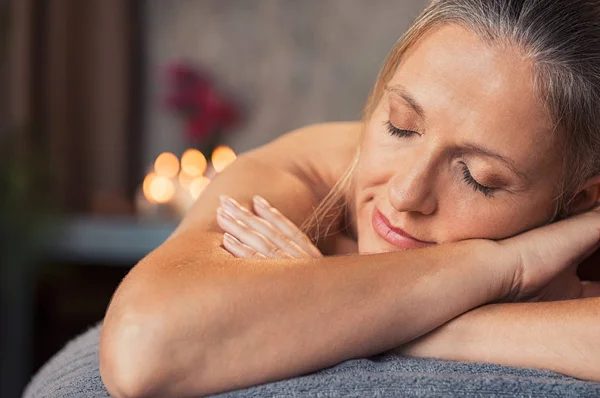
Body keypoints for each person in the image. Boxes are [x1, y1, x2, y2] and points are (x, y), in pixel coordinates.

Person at [100, 1, 600, 396]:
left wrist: (339, 306)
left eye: (478, 178)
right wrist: (498, 267)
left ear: (578, 202)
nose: (405, 194)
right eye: (400, 126)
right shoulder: (310, 169)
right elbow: (144, 346)